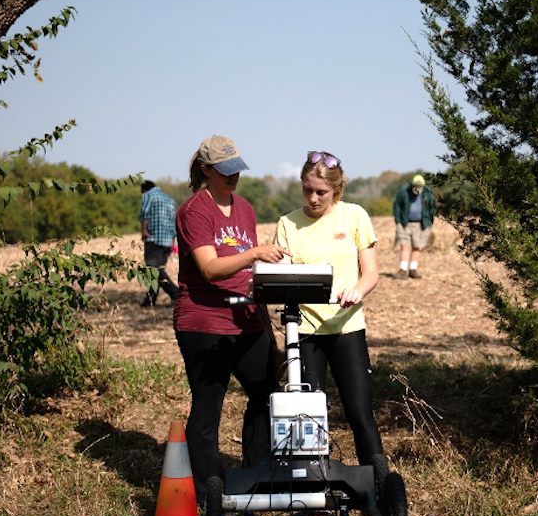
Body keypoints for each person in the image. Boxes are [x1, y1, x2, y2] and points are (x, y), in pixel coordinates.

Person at [173, 135, 291, 494]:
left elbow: (246, 271)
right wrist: (255, 253)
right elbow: (210, 269)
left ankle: (254, 478)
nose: (233, 176)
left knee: (266, 391)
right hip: (204, 322)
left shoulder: (245, 209)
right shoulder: (194, 211)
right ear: (206, 170)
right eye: (225, 171)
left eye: (237, 169)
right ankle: (208, 489)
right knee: (209, 407)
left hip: (247, 318)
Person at [272, 151, 385, 466]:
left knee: (359, 412)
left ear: (336, 189)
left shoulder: (354, 216)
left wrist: (356, 291)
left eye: (321, 192)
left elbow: (371, 273)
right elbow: (281, 275)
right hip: (305, 332)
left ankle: (375, 486)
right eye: (307, 189)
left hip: (346, 327)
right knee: (309, 415)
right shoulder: (287, 224)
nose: (313, 198)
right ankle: (312, 489)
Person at [139, 180, 180, 307]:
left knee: (154, 269)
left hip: (154, 239)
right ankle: (149, 300)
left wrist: (144, 231)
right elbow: (174, 221)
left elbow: (145, 214)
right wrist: (172, 242)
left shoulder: (148, 195)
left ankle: (177, 294)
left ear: (144, 189)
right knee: (156, 272)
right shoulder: (169, 199)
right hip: (167, 241)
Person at [392, 173, 437, 279]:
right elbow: (397, 206)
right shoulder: (403, 190)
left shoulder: (428, 192)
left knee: (416, 247)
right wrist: (398, 222)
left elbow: (432, 208)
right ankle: (403, 270)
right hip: (405, 223)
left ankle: (413, 270)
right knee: (404, 246)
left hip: (421, 224)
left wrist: (429, 222)